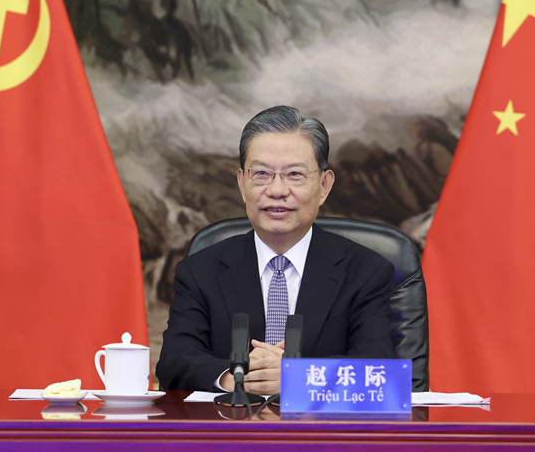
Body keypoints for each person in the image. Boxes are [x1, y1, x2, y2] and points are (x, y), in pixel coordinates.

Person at [156, 105, 396, 394]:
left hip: (319, 423)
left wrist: (298, 378)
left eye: (294, 174)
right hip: (231, 421)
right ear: (242, 183)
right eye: (261, 174)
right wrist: (238, 378)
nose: (277, 190)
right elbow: (174, 361)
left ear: (324, 185)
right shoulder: (200, 271)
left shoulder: (366, 272)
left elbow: (378, 368)